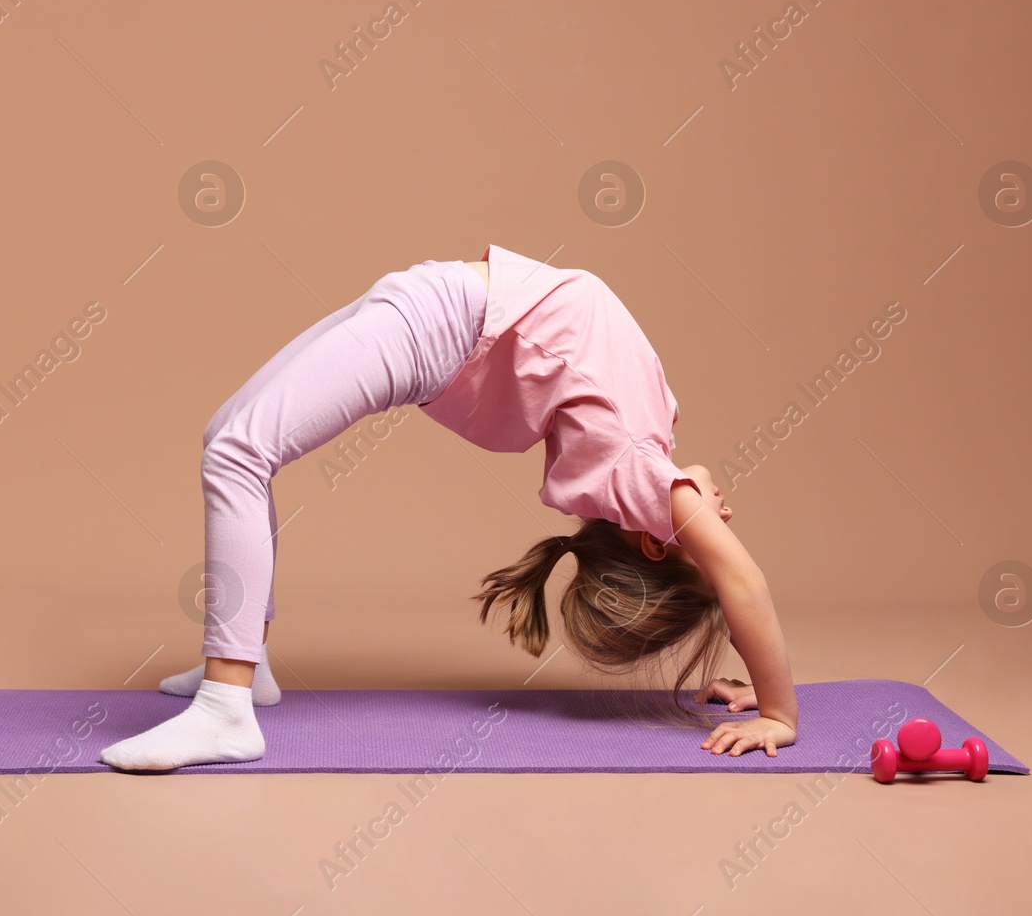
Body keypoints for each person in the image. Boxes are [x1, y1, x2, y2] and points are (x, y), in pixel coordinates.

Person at [100, 245, 797, 771]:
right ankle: (252, 659)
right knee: (226, 430)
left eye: (706, 540)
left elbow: (745, 582)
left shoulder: (645, 475)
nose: (722, 519)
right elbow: (700, 524)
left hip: (439, 327)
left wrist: (777, 711)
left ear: (652, 540)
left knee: (238, 452)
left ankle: (225, 706)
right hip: (434, 303)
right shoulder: (655, 450)